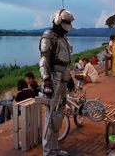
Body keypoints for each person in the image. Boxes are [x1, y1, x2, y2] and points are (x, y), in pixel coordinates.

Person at [39, 9, 75, 156]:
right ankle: (48, 151)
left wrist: (70, 77)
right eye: (65, 24)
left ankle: (54, 148)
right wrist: (46, 81)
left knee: (58, 116)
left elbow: (65, 63)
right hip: (53, 81)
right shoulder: (48, 37)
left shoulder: (63, 38)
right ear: (58, 22)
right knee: (50, 117)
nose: (66, 28)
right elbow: (43, 61)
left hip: (63, 80)